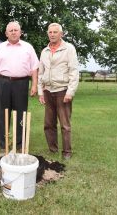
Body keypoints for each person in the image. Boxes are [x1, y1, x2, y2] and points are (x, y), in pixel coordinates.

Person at [0, 21, 39, 151]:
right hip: (3, 83)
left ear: (20, 32)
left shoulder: (28, 47)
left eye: (16, 30)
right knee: (2, 113)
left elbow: (34, 68)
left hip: (21, 83)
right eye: (10, 30)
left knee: (21, 113)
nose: (13, 32)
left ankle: (19, 143)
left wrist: (34, 85)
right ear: (6, 33)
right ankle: (3, 143)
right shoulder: (0, 47)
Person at [38, 23, 79, 160]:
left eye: (55, 32)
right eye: (50, 32)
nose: (52, 34)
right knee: (48, 124)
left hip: (63, 90)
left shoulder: (69, 49)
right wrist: (40, 91)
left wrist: (70, 92)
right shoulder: (45, 51)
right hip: (48, 91)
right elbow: (40, 73)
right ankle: (53, 149)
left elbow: (74, 72)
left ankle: (67, 152)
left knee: (65, 124)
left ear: (61, 34)